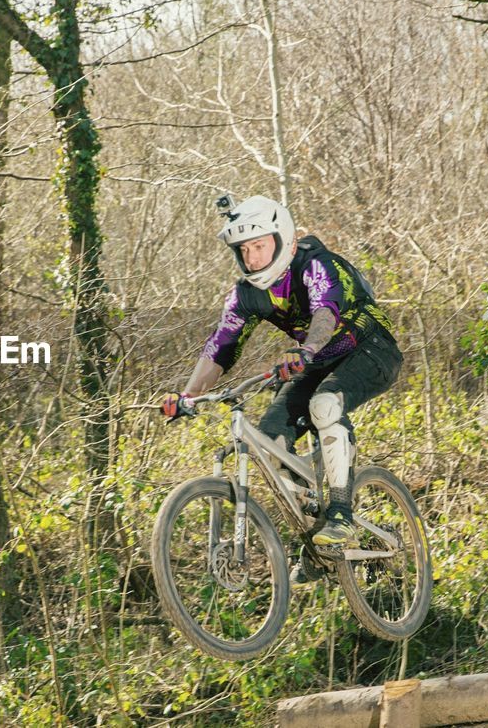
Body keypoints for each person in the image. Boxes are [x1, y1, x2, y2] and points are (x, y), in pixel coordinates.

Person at [161, 195, 403, 548]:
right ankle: (314, 534)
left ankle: (341, 514)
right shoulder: (246, 295)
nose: (252, 258)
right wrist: (188, 396)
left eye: (259, 246)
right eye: (243, 250)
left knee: (324, 405)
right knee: (271, 442)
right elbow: (220, 346)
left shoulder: (314, 263)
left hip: (370, 347)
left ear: (283, 238)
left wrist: (305, 349)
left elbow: (325, 313)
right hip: (314, 361)